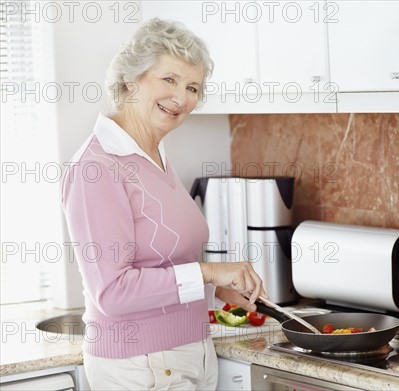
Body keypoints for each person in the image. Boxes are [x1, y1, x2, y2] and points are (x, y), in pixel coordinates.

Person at [61, 18, 267, 390]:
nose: (181, 97)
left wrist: (219, 291)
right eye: (169, 79)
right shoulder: (97, 166)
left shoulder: (153, 155)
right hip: (140, 366)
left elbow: (165, 264)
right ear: (131, 80)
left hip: (188, 353)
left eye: (192, 87)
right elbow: (113, 291)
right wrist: (209, 273)